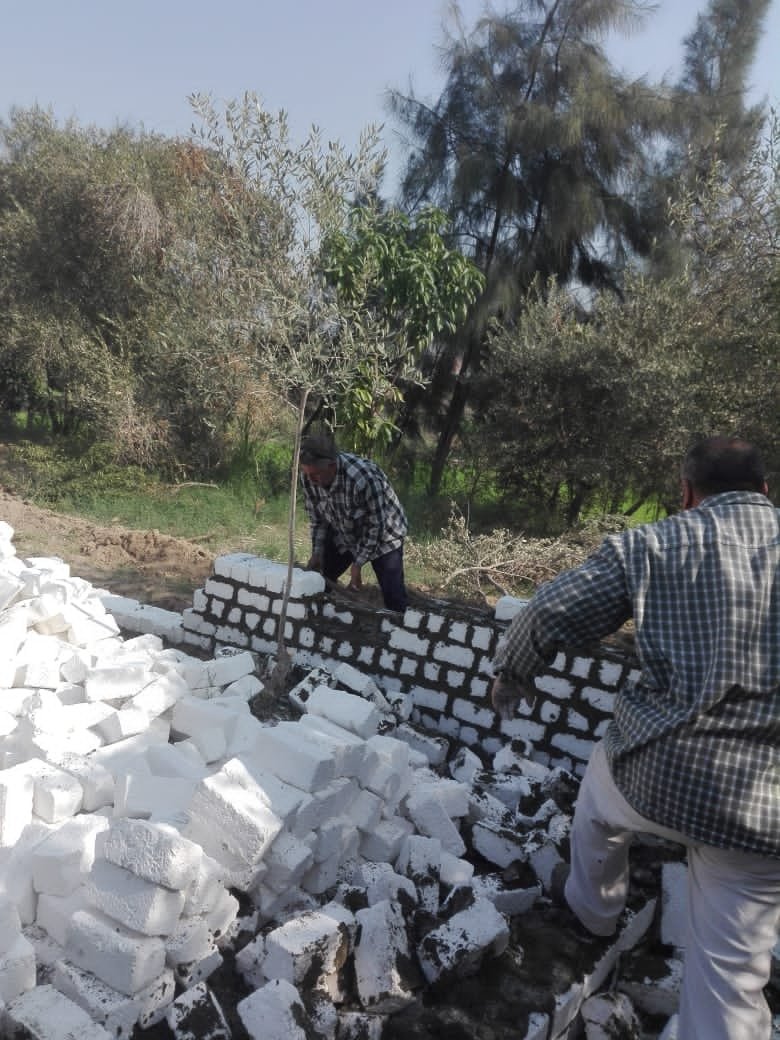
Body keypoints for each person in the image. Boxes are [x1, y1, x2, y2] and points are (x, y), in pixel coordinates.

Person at [491, 436, 779, 1040]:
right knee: (731, 977)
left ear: (686, 493)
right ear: (765, 490)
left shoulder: (654, 544)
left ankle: (594, 911)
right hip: (761, 809)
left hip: (659, 771)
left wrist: (513, 674)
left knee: (598, 800)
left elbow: (547, 613)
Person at [299, 433, 409, 613]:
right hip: (345, 531)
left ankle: (399, 624)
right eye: (307, 474)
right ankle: (316, 618)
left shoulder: (363, 478)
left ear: (332, 466)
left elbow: (377, 526)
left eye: (315, 475)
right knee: (319, 579)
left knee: (393, 596)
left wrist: (357, 564)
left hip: (385, 534)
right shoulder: (309, 478)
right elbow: (318, 520)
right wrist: (317, 552)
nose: (311, 480)